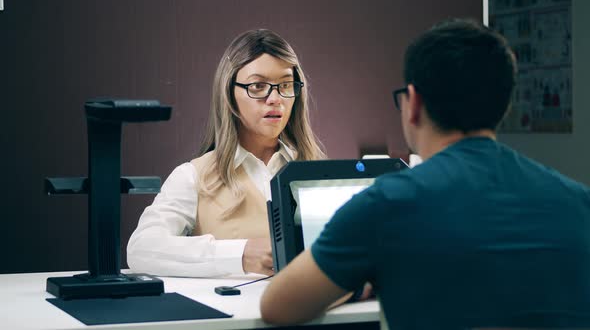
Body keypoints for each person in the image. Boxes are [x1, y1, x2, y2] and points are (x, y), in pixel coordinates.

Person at [261, 19, 590, 329]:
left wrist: (356, 280)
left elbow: (277, 306)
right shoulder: (579, 202)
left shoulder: (385, 204)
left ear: (413, 102)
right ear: (503, 105)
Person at [127, 29, 325, 278]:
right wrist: (240, 255)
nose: (275, 98)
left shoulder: (318, 174)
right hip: (230, 315)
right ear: (229, 93)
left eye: (285, 85)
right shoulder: (193, 177)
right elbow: (141, 249)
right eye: (258, 86)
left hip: (316, 315)